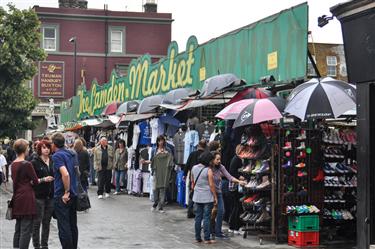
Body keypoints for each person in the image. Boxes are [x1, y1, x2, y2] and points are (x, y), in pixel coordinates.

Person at [11, 139, 54, 249]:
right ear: (25, 149)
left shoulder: (13, 164)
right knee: (26, 228)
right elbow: (35, 181)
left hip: (17, 196)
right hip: (27, 197)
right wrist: (44, 179)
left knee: (18, 227)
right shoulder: (27, 164)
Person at [51, 133, 79, 249]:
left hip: (63, 195)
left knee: (64, 226)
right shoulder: (72, 153)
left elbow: (65, 174)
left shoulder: (57, 156)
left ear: (54, 144)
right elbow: (77, 171)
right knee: (72, 224)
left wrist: (66, 191)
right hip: (74, 193)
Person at [210, 151, 246, 240]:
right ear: (212, 160)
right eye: (217, 159)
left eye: (220, 159)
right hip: (209, 192)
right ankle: (210, 231)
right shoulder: (209, 169)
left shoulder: (221, 167)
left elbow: (229, 176)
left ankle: (218, 232)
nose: (219, 161)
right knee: (210, 213)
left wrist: (239, 181)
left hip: (218, 192)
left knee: (221, 212)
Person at [31, 140, 55, 249]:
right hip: (38, 197)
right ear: (39, 149)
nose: (46, 149)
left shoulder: (52, 160)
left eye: (48, 147)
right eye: (44, 147)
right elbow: (31, 181)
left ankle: (44, 245)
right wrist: (43, 179)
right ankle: (36, 245)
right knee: (37, 222)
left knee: (47, 222)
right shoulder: (34, 162)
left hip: (50, 197)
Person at [191, 151, 217, 244]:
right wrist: (215, 196)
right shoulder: (208, 170)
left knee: (198, 217)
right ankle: (207, 238)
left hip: (197, 196)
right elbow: (211, 184)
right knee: (206, 217)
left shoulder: (194, 168)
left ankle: (197, 237)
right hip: (207, 197)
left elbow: (192, 182)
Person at [150, 135, 174, 213]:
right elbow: (151, 161)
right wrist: (157, 154)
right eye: (159, 141)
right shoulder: (154, 150)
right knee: (155, 189)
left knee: (163, 189)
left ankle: (160, 206)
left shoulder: (168, 150)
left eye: (162, 140)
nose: (161, 142)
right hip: (156, 172)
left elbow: (171, 160)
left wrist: (166, 154)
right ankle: (156, 202)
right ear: (157, 142)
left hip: (165, 173)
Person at [184, 139, 207, 218]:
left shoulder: (192, 154)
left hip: (193, 176)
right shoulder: (205, 155)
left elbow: (187, 165)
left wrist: (184, 174)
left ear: (198, 146)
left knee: (192, 193)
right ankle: (200, 212)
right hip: (203, 176)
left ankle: (190, 211)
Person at [228, 145, 245, 235]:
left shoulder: (237, 159)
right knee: (237, 206)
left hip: (235, 186)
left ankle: (233, 226)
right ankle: (235, 226)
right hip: (235, 186)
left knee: (236, 206)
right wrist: (240, 177)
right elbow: (232, 172)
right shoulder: (236, 159)